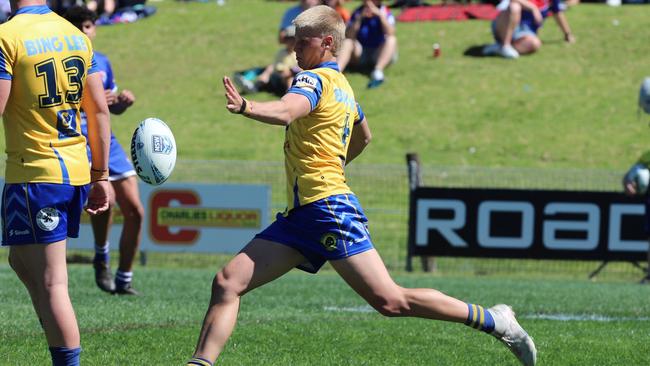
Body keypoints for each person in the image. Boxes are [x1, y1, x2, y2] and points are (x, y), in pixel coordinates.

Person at [186, 6, 536, 366]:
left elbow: (288, 111)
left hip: (325, 209)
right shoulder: (344, 88)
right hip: (302, 215)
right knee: (228, 282)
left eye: (301, 42)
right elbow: (364, 136)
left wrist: (246, 105)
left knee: (391, 301)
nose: (293, 48)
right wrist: (334, 164)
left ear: (326, 43)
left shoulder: (312, 80)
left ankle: (496, 320)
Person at [0, 0, 111, 364]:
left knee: (52, 284)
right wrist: (101, 176)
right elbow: (97, 109)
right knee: (21, 261)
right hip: (74, 170)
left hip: (35, 174)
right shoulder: (75, 35)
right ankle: (55, 338)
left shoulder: (6, 36)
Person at [64, 5, 144, 295]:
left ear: (94, 29)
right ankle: (102, 257)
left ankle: (124, 277)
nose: (84, 32)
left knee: (136, 210)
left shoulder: (102, 62)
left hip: (107, 142)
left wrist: (121, 101)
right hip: (78, 142)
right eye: (78, 27)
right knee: (105, 199)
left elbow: (111, 109)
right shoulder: (61, 61)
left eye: (88, 26)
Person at [482, 0, 575, 59]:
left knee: (535, 44)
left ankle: (500, 48)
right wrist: (533, 8)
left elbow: (557, 13)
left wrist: (567, 34)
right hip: (504, 24)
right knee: (515, 7)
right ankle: (505, 45)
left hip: (526, 33)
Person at [337, 0, 398, 89]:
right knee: (348, 41)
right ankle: (336, 73)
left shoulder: (385, 11)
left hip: (378, 53)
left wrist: (380, 16)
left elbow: (391, 32)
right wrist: (360, 18)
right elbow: (349, 35)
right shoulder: (358, 12)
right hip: (361, 52)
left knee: (391, 40)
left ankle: (378, 71)